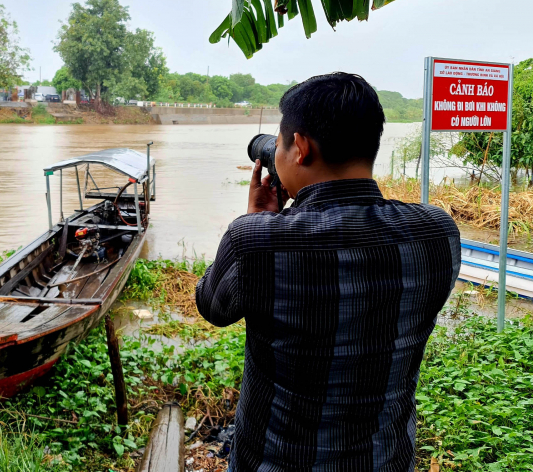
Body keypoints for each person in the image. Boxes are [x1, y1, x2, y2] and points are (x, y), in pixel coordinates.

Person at [195, 73, 460, 471]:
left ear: (299, 147)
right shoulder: (438, 233)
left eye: (281, 146)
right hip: (385, 461)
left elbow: (212, 306)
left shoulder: (254, 241)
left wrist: (255, 220)